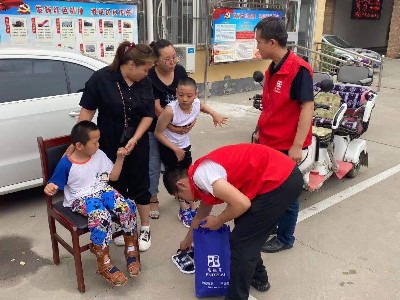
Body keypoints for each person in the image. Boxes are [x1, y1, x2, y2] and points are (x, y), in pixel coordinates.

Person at [162, 143, 304, 300]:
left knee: (241, 243)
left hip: (280, 180)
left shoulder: (202, 176)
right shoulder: (200, 176)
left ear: (180, 185)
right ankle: (259, 277)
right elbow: (200, 215)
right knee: (245, 228)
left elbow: (242, 204)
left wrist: (218, 220)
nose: (185, 201)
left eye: (180, 198)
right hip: (279, 176)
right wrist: (187, 241)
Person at [77, 41, 156, 252]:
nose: (147, 73)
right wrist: (79, 143)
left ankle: (145, 227)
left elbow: (149, 114)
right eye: (145, 69)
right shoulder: (101, 79)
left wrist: (135, 138)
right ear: (131, 64)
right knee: (115, 183)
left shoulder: (144, 82)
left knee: (141, 182)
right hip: (109, 141)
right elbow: (86, 114)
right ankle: (121, 225)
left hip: (137, 141)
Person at [44, 121, 140, 286]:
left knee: (127, 206)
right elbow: (53, 186)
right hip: (80, 198)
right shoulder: (66, 164)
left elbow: (113, 177)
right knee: (100, 216)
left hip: (103, 190)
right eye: (94, 142)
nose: (98, 144)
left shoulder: (99, 154)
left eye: (98, 140)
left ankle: (131, 248)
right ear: (79, 145)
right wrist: (50, 188)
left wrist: (120, 158)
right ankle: (103, 261)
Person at [254, 17, 314, 253]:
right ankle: (272, 225)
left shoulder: (299, 70)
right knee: (267, 189)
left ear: (271, 42)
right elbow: (271, 106)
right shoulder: (272, 68)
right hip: (268, 141)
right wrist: (260, 130)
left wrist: (297, 145)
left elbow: (307, 108)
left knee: (287, 193)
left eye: (259, 42)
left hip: (287, 145)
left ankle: (285, 237)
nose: (257, 46)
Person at [155, 77, 228, 227]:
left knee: (188, 174)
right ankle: (183, 210)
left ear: (196, 94)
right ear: (176, 93)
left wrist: (215, 114)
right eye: (181, 95)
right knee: (177, 178)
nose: (185, 99)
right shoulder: (170, 110)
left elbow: (202, 106)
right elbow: (158, 133)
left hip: (184, 145)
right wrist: (175, 149)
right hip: (169, 147)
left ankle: (191, 205)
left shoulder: (195, 103)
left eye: (189, 96)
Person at [146, 39, 191, 221]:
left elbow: (189, 96)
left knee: (178, 165)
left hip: (178, 129)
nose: (172, 62)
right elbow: (157, 108)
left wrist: (189, 122)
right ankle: (153, 199)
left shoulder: (179, 71)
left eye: (174, 57)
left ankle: (181, 193)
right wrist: (172, 126)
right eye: (167, 59)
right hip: (156, 127)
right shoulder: (149, 76)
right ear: (156, 60)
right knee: (154, 165)